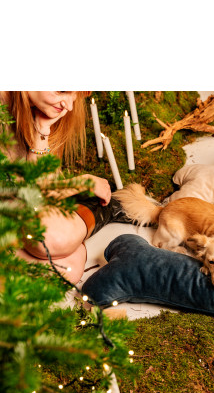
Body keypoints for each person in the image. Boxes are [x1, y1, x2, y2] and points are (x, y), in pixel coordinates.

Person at [0, 91, 131, 284]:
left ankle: (92, 211)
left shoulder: (37, 108)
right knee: (58, 250)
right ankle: (92, 208)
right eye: (62, 90)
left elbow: (39, 190)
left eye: (75, 95)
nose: (69, 106)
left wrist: (41, 131)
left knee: (68, 264)